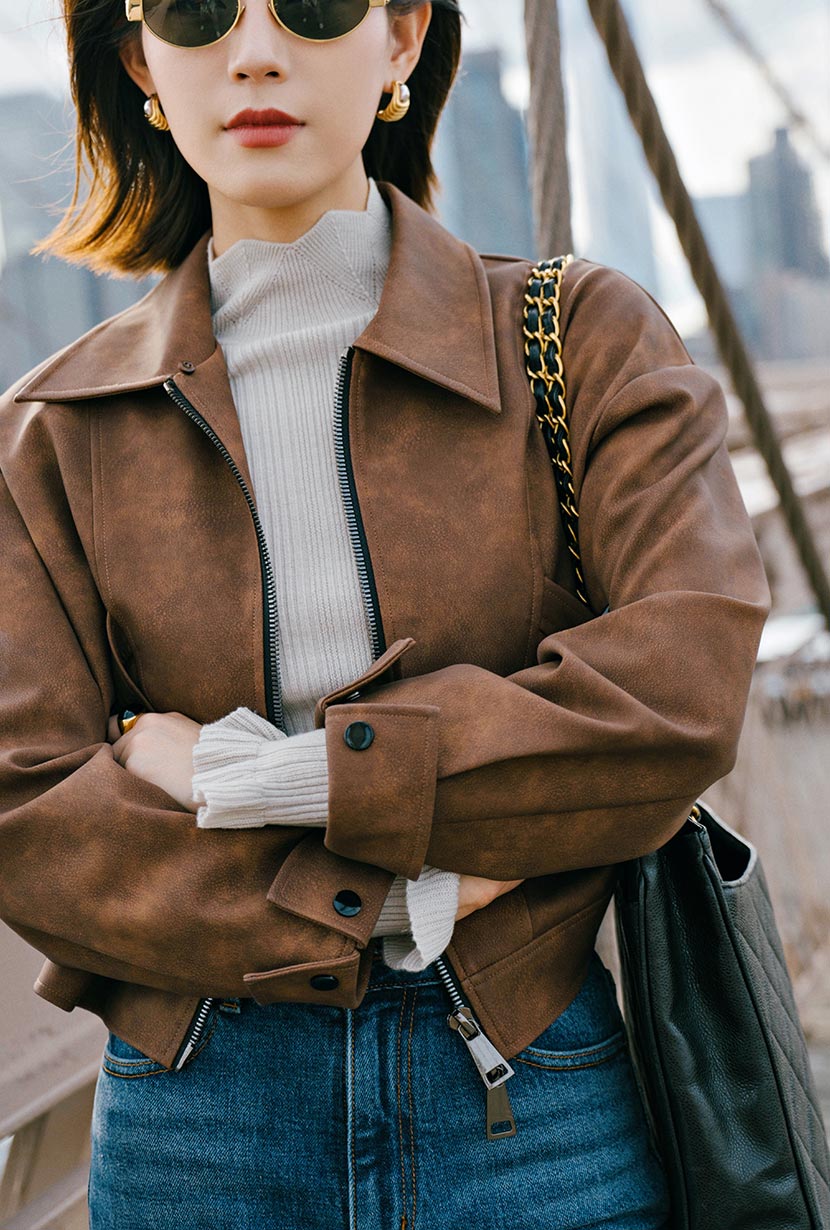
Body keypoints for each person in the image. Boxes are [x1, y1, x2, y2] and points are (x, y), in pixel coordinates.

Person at [0, 0, 771, 1226]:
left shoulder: (579, 342)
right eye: (198, 13)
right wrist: (396, 897)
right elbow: (25, 805)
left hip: (531, 1096)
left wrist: (255, 777)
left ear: (402, 40)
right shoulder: (54, 432)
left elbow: (675, 694)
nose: (253, 51)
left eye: (311, 5)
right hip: (200, 1113)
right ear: (140, 59)